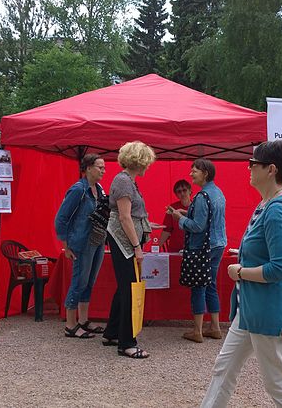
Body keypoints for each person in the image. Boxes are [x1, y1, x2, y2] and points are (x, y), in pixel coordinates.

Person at [201, 140, 282, 408]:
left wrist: (241, 272)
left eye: (252, 164)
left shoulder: (277, 211)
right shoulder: (267, 205)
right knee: (224, 368)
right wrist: (245, 256)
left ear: (271, 169)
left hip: (266, 312)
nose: (248, 168)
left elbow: (281, 268)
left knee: (278, 384)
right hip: (251, 310)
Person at [102, 141, 156, 359]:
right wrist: (136, 247)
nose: (148, 166)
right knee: (130, 289)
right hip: (124, 242)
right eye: (147, 162)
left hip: (125, 241)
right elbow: (124, 217)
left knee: (124, 287)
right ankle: (126, 342)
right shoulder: (124, 181)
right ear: (140, 161)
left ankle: (112, 332)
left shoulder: (127, 181)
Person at [168, 159, 227, 343]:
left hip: (202, 247)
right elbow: (209, 217)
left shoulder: (202, 196)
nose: (191, 173)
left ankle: (197, 331)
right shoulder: (217, 192)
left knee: (198, 287)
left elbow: (198, 226)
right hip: (218, 244)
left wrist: (179, 218)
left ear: (205, 173)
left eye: (194, 171)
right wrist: (185, 212)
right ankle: (215, 327)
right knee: (211, 285)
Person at [54, 154, 107, 339]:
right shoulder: (78, 189)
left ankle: (83, 320)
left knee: (89, 282)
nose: (103, 170)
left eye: (104, 167)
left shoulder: (99, 189)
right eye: (100, 167)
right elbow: (61, 218)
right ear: (88, 168)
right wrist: (66, 245)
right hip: (82, 243)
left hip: (98, 241)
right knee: (79, 282)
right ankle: (70, 324)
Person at [157, 179, 192, 252]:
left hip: (192, 249)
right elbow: (166, 230)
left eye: (184, 190)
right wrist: (157, 247)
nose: (182, 193)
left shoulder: (197, 207)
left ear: (190, 191)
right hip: (175, 249)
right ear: (176, 195)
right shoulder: (172, 208)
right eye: (179, 191)